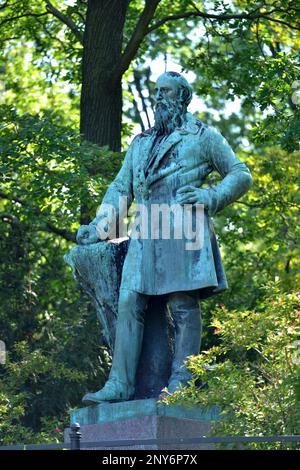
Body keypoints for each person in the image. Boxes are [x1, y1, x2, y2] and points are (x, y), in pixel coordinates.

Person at [76, 71, 252, 403]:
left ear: (183, 97)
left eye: (167, 91)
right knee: (129, 301)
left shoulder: (203, 135)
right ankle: (120, 384)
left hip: (183, 226)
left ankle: (182, 381)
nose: (159, 98)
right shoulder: (141, 142)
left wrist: (210, 197)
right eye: (157, 91)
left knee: (183, 304)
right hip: (146, 229)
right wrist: (100, 228)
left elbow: (240, 174)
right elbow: (119, 189)